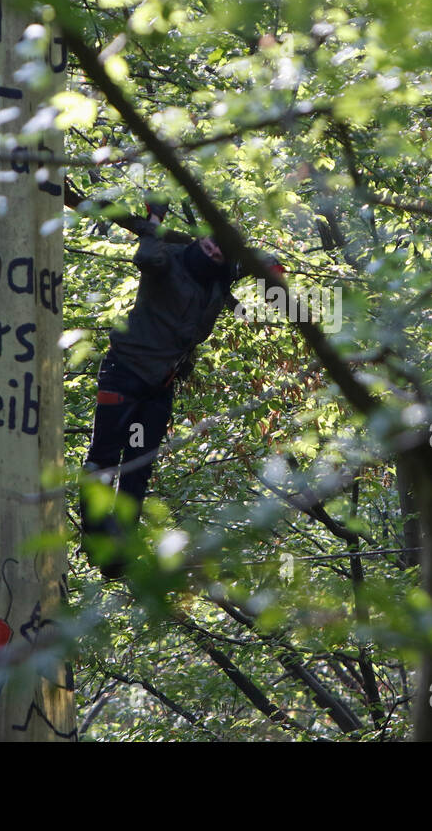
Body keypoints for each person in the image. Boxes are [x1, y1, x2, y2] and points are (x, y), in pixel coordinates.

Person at [78, 200, 281, 579]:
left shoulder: (218, 278)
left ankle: (120, 548)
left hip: (159, 387)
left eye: (219, 250)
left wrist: (267, 268)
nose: (212, 252)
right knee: (103, 459)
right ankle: (94, 533)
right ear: (198, 241)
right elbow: (146, 256)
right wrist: (154, 219)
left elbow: (248, 261)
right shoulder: (168, 256)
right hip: (124, 374)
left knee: (138, 467)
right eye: (208, 245)